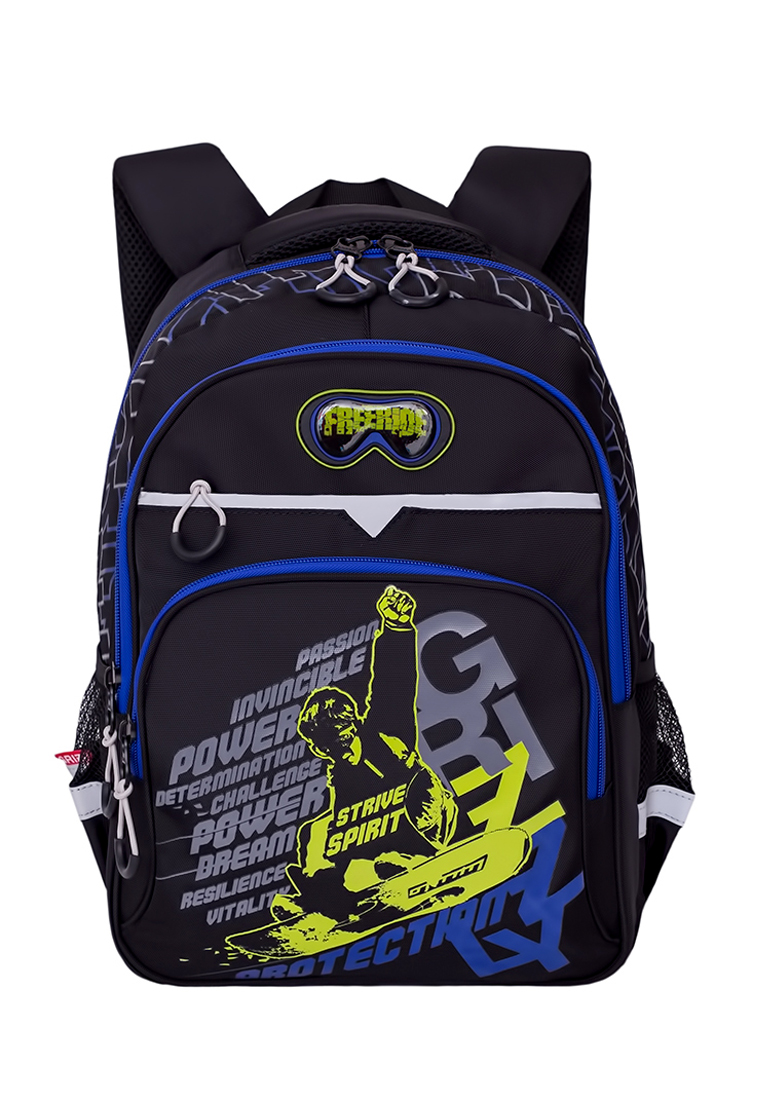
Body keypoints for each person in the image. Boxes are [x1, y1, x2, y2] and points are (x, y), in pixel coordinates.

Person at [279, 585, 458, 921]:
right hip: (375, 835)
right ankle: (320, 896)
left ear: (351, 727)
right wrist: (324, 865)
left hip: (423, 815)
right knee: (313, 832)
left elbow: (393, 681)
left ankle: (408, 866)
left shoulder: (387, 730)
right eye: (323, 748)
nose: (329, 752)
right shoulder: (339, 772)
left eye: (336, 743)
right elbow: (342, 830)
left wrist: (396, 627)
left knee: (373, 853)